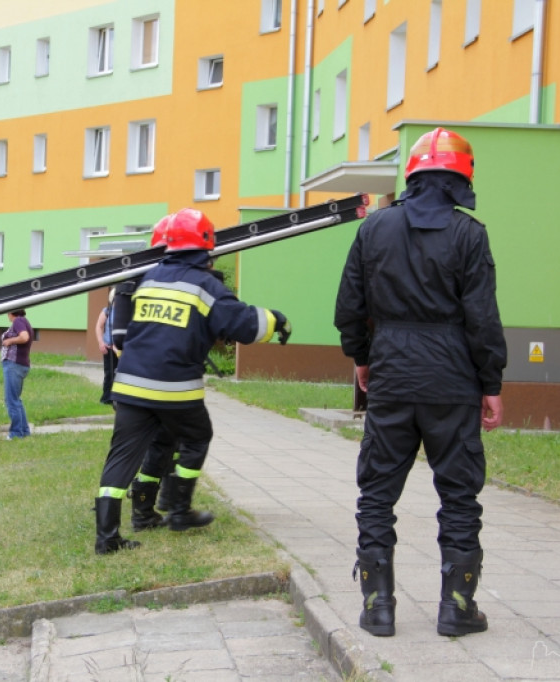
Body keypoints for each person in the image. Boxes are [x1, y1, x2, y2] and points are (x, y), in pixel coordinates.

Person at [334, 127, 507, 638]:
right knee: (458, 496)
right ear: (462, 178)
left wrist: (363, 359)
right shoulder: (469, 234)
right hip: (452, 381)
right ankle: (457, 608)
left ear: (412, 175)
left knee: (377, 493)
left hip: (390, 375)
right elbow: (482, 318)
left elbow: (349, 307)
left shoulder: (373, 230)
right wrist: (490, 382)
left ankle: (378, 607)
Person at [94, 208, 292, 555]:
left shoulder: (149, 278)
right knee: (197, 436)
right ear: (205, 246)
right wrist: (278, 320)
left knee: (123, 457)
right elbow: (245, 325)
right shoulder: (205, 285)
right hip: (174, 388)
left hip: (128, 385)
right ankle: (179, 510)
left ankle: (109, 536)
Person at [0, 308, 34, 439]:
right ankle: (24, 430)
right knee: (16, 399)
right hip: (19, 364)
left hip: (14, 365)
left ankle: (15, 433)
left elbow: (24, 337)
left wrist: (9, 341)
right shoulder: (24, 321)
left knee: (11, 400)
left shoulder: (18, 321)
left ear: (11, 312)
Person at [95, 288, 118, 405]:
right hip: (109, 348)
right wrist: (101, 342)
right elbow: (99, 326)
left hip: (120, 349)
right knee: (109, 373)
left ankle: (118, 397)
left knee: (120, 373)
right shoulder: (107, 311)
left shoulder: (126, 312)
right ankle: (107, 398)